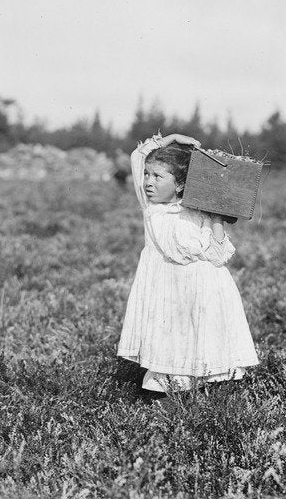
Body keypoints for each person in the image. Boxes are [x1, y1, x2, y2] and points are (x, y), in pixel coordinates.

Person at [117, 132, 259, 394]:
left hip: (203, 289)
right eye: (148, 175)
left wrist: (216, 217)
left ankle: (210, 392)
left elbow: (218, 256)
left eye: (158, 176)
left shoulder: (197, 212)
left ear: (180, 185)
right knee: (171, 339)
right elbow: (137, 157)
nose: (148, 181)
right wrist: (170, 139)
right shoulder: (151, 208)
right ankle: (166, 393)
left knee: (202, 338)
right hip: (166, 289)